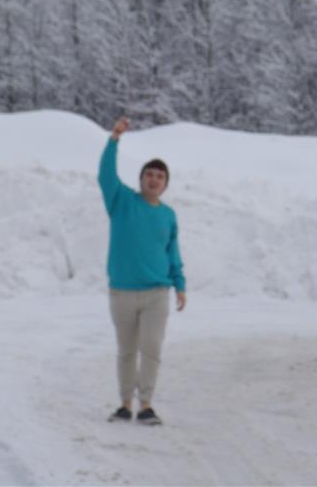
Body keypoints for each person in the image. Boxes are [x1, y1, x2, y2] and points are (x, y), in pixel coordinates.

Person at [98, 117, 186, 426]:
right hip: (121, 291)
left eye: (159, 176)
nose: (153, 179)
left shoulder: (168, 215)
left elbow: (172, 253)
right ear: (141, 179)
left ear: (165, 183)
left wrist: (180, 284)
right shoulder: (121, 201)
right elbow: (105, 175)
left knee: (151, 349)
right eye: (149, 174)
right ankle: (124, 405)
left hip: (156, 294)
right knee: (126, 350)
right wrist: (114, 140)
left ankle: (146, 405)